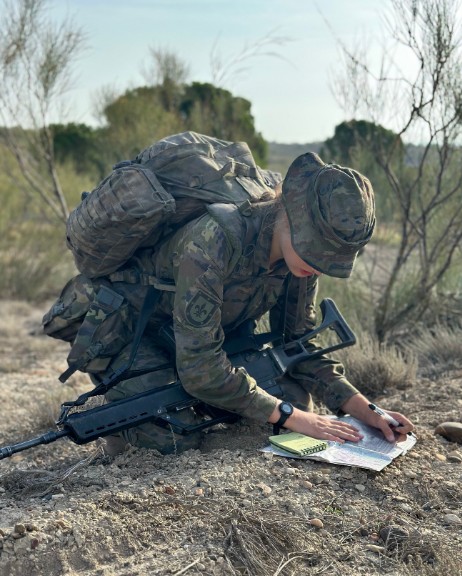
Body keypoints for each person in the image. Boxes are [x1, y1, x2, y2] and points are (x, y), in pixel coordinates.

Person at [101, 144, 414, 455]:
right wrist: (294, 417)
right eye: (314, 250)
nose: (318, 265)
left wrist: (365, 409)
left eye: (328, 259)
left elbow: (298, 343)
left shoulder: (300, 261)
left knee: (293, 399)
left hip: (208, 340)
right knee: (175, 439)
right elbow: (199, 368)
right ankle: (125, 399)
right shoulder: (214, 240)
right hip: (132, 332)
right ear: (290, 214)